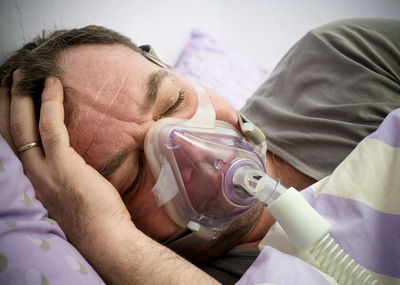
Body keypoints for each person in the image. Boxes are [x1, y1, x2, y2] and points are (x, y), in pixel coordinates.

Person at [0, 18, 399, 284]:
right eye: (135, 175)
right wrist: (109, 239)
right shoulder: (151, 270)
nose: (196, 152)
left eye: (174, 101)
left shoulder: (346, 61)